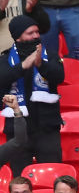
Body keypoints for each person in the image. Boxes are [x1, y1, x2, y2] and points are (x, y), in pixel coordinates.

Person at [0, 14, 63, 174]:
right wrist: (23, 66)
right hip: (17, 132)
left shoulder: (50, 55)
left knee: (53, 177)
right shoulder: (5, 59)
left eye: (37, 32)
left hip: (47, 129)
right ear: (18, 36)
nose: (36, 35)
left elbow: (59, 76)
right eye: (30, 33)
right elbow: (2, 79)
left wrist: (40, 64)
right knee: (20, 182)